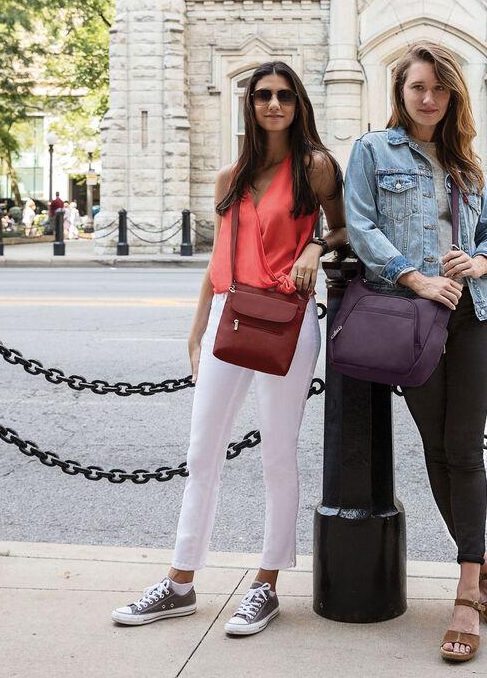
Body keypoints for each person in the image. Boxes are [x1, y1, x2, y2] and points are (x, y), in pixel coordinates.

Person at [111, 61, 346, 636]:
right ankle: (180, 582)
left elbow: (345, 228)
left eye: (284, 95)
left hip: (288, 319)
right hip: (229, 315)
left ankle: (266, 584)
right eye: (263, 95)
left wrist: (314, 247)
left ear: (299, 104)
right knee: (202, 453)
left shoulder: (315, 167)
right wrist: (196, 331)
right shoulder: (230, 178)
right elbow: (219, 259)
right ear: (250, 104)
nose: (274, 105)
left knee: (277, 454)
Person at [345, 41, 487, 663]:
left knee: (464, 450)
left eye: (440, 89)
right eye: (418, 86)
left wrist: (481, 261)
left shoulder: (465, 161)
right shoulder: (373, 151)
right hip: (413, 318)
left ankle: (467, 591)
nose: (428, 98)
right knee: (438, 448)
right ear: (401, 91)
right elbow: (360, 225)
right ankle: (485, 569)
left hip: (472, 314)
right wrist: (413, 277)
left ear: (453, 96)